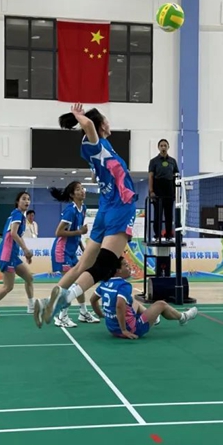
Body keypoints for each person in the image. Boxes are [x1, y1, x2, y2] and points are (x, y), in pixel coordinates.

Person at [37, 103, 138, 328]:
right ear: (100, 124)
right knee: (105, 265)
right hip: (119, 207)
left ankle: (49, 302)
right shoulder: (94, 143)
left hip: (106, 208)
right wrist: (79, 116)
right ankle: (63, 301)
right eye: (106, 120)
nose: (109, 123)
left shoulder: (103, 147)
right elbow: (90, 126)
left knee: (82, 265)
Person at [89, 256, 198, 339]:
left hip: (112, 329)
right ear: (118, 270)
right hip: (132, 329)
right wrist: (124, 330)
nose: (129, 267)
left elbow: (92, 300)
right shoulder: (124, 285)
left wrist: (102, 315)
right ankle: (183, 317)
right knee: (161, 304)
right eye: (126, 265)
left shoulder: (104, 282)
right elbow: (119, 306)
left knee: (131, 301)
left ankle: (153, 318)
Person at [49, 181, 99, 327]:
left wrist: (83, 249)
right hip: (61, 252)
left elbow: (77, 232)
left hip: (72, 252)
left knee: (80, 281)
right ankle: (61, 316)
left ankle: (83, 312)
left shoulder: (83, 208)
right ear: (72, 195)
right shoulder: (70, 210)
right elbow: (58, 232)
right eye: (78, 189)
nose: (82, 191)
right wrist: (79, 232)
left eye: (82, 188)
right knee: (69, 284)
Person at [0, 191, 35, 319]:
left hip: (13, 256)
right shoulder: (17, 214)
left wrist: (25, 253)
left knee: (29, 278)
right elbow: (14, 234)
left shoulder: (19, 216)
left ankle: (31, 306)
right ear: (17, 202)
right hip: (7, 256)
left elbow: (17, 235)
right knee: (8, 286)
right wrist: (25, 249)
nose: (26, 201)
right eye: (23, 199)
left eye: (28, 199)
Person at [147, 139, 179, 241]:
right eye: (161, 145)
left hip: (169, 189)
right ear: (158, 147)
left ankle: (169, 235)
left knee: (169, 215)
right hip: (158, 188)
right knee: (158, 214)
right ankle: (157, 235)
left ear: (168, 147)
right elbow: (150, 176)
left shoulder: (173, 161)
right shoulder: (153, 161)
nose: (163, 147)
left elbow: (176, 176)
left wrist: (176, 191)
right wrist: (151, 191)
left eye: (165, 145)